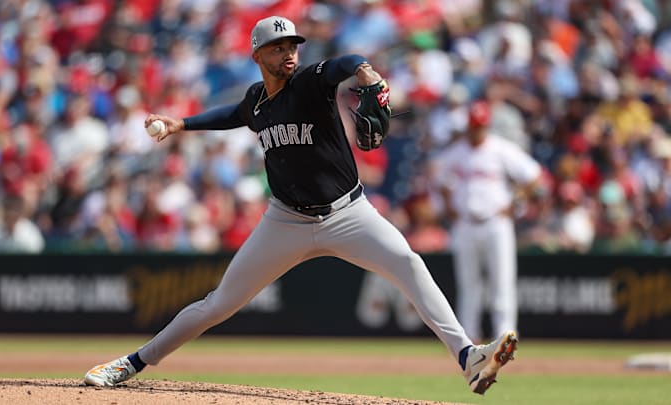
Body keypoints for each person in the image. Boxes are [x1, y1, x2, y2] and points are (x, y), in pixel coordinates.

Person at [83, 16, 517, 395]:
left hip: (349, 213)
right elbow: (233, 114)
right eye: (277, 47)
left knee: (408, 262)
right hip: (285, 220)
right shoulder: (257, 99)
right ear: (257, 54)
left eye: (291, 45)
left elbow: (345, 63)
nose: (288, 53)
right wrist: (182, 123)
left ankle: (467, 358)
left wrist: (365, 71)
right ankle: (133, 363)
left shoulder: (311, 82)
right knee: (217, 305)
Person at [435, 100, 542, 343]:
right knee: (468, 284)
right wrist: (449, 206)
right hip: (465, 223)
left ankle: (505, 336)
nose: (477, 130)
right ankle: (467, 337)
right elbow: (438, 176)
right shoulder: (457, 151)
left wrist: (515, 205)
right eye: (474, 126)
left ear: (487, 126)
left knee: (501, 282)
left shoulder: (501, 149)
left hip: (496, 223)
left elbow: (534, 176)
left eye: (481, 126)